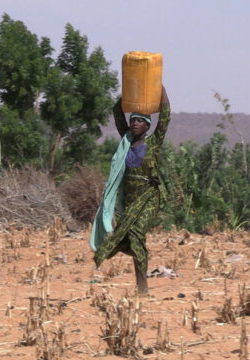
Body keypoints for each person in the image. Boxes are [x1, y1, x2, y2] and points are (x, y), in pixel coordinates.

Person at [91, 85, 170, 294]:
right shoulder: (125, 141)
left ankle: (143, 287)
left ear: (147, 126)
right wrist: (129, 89)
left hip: (149, 197)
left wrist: (159, 88)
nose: (135, 124)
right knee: (131, 239)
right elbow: (117, 112)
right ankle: (140, 284)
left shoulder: (154, 142)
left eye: (140, 121)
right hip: (130, 200)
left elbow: (165, 118)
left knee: (135, 233)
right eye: (133, 120)